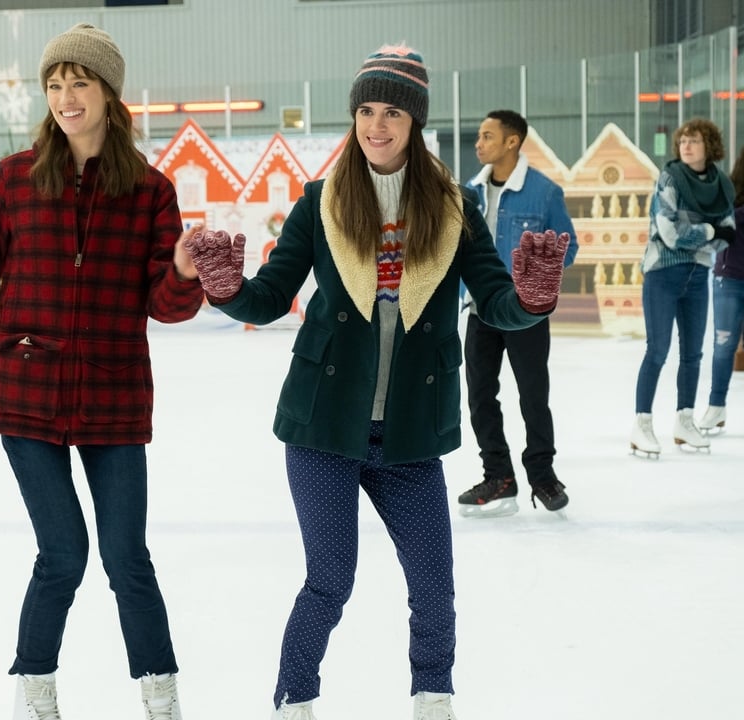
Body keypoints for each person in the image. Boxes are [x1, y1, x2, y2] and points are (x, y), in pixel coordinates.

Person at [181, 45, 569, 720]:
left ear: (415, 121)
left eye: (392, 111)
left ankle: (433, 701)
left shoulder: (455, 207)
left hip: (410, 433)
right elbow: (269, 297)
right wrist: (226, 288)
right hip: (324, 427)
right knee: (330, 582)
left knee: (434, 586)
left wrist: (532, 300)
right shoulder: (323, 202)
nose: (376, 125)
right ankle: (294, 702)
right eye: (365, 110)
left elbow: (495, 298)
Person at [0, 22, 201, 720]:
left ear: (109, 93)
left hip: (113, 394)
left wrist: (184, 271)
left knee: (126, 558)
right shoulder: (15, 178)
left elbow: (165, 304)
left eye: (80, 82)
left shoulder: (149, 191)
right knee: (62, 553)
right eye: (56, 84)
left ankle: (160, 695)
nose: (66, 97)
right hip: (26, 391)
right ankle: (35, 692)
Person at [456, 110, 578, 517]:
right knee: (479, 398)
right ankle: (499, 477)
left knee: (533, 396)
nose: (478, 144)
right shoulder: (470, 193)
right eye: (479, 136)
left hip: (525, 313)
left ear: (512, 141)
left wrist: (539, 277)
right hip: (480, 310)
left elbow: (568, 247)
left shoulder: (544, 192)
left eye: (487, 136)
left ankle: (542, 477)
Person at [629, 118, 735, 457]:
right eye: (683, 141)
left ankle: (685, 421)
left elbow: (730, 231)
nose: (686, 146)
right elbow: (669, 232)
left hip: (698, 274)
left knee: (693, 353)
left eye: (694, 141)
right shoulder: (670, 178)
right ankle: (642, 424)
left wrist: (708, 235)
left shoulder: (721, 184)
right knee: (657, 350)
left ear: (709, 146)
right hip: (662, 271)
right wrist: (709, 232)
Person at [697, 148, 744, 434]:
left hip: (729, 277)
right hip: (730, 279)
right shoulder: (729, 191)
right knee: (724, 345)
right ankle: (716, 407)